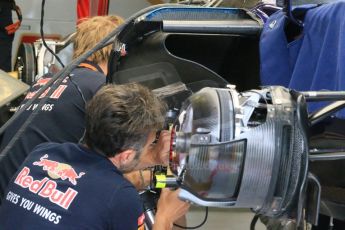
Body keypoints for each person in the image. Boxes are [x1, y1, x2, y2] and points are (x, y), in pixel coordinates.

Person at [0, 83, 190, 229]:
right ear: (125, 155)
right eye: (152, 144)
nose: (154, 147)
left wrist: (154, 157)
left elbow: (91, 190)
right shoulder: (120, 196)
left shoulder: (42, 152)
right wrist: (165, 216)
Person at [0, 16, 124, 200]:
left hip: (10, 195)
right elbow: (121, 159)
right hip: (33, 202)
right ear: (118, 51)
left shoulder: (43, 81)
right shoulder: (100, 86)